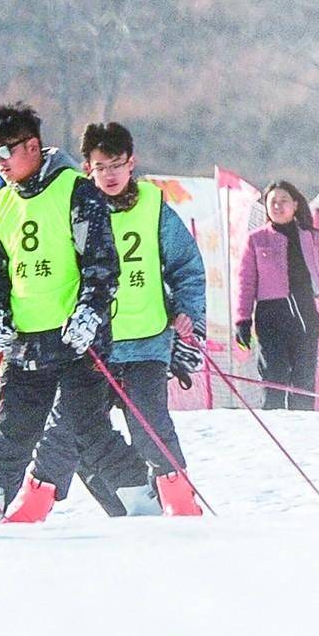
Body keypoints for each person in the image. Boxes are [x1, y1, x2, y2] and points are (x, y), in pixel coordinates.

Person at [0, 101, 155, 523]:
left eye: (4, 154)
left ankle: (143, 501)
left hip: (75, 340)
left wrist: (89, 313)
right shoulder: (1, 202)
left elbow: (102, 263)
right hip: (25, 342)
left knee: (87, 428)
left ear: (32, 146)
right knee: (11, 430)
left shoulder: (75, 190)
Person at [77, 122, 208, 516]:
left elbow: (186, 265)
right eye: (102, 167)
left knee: (151, 429)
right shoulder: (77, 211)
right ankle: (129, 507)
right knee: (79, 436)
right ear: (89, 170)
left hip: (147, 341)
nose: (111, 175)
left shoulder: (153, 205)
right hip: (93, 348)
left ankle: (181, 505)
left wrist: (188, 312)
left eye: (117, 164)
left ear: (131, 163)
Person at [234, 179, 319, 411]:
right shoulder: (256, 240)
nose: (278, 206)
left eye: (283, 201)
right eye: (272, 202)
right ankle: (274, 427)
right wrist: (242, 319)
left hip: (305, 313)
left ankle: (304, 430)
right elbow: (246, 281)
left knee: (303, 378)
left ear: (295, 205)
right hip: (271, 315)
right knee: (274, 376)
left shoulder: (312, 237)